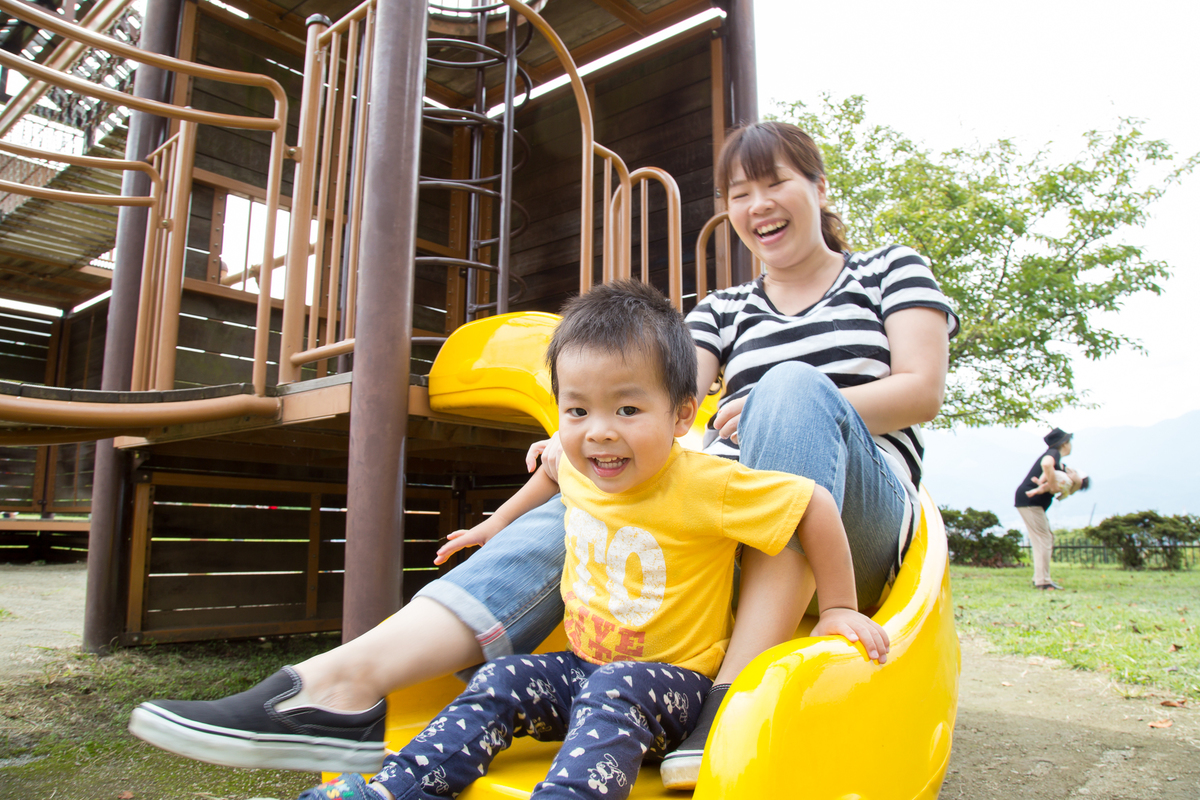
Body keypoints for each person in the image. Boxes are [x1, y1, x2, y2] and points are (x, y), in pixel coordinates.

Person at [128, 120, 958, 790]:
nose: (759, 203)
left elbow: (920, 388)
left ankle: (731, 694)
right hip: (731, 514)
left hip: (864, 519)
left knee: (788, 387)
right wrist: (594, 439)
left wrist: (778, 397)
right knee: (608, 477)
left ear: (817, 189)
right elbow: (673, 415)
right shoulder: (723, 309)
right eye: (740, 192)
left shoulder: (887, 270)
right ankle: (342, 684)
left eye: (776, 181)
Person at [290, 279, 885, 800]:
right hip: (582, 667)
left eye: (627, 409)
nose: (599, 433)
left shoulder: (709, 483)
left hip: (672, 689)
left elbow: (813, 503)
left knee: (613, 686)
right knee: (499, 679)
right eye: (577, 411)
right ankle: (399, 788)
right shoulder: (580, 460)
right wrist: (496, 523)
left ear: (682, 415)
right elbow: (552, 470)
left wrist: (836, 606)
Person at [1014, 427, 1078, 590]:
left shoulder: (1059, 462)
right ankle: (1043, 581)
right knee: (1044, 538)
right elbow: (1046, 464)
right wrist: (1055, 485)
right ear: (1064, 444)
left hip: (1028, 500)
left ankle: (1040, 578)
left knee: (1042, 537)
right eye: (1069, 442)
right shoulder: (1053, 453)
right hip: (1030, 500)